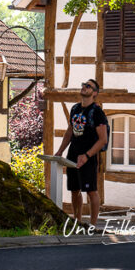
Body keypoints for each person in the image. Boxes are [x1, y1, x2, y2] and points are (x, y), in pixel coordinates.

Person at [54, 78, 108, 228]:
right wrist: (60, 151)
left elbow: (103, 140)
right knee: (74, 190)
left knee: (91, 191)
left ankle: (92, 225)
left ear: (95, 93)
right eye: (83, 85)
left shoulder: (97, 112)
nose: (84, 87)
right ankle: (77, 222)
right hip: (73, 154)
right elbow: (70, 131)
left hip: (88, 157)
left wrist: (87, 155)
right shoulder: (75, 109)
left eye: (88, 86)